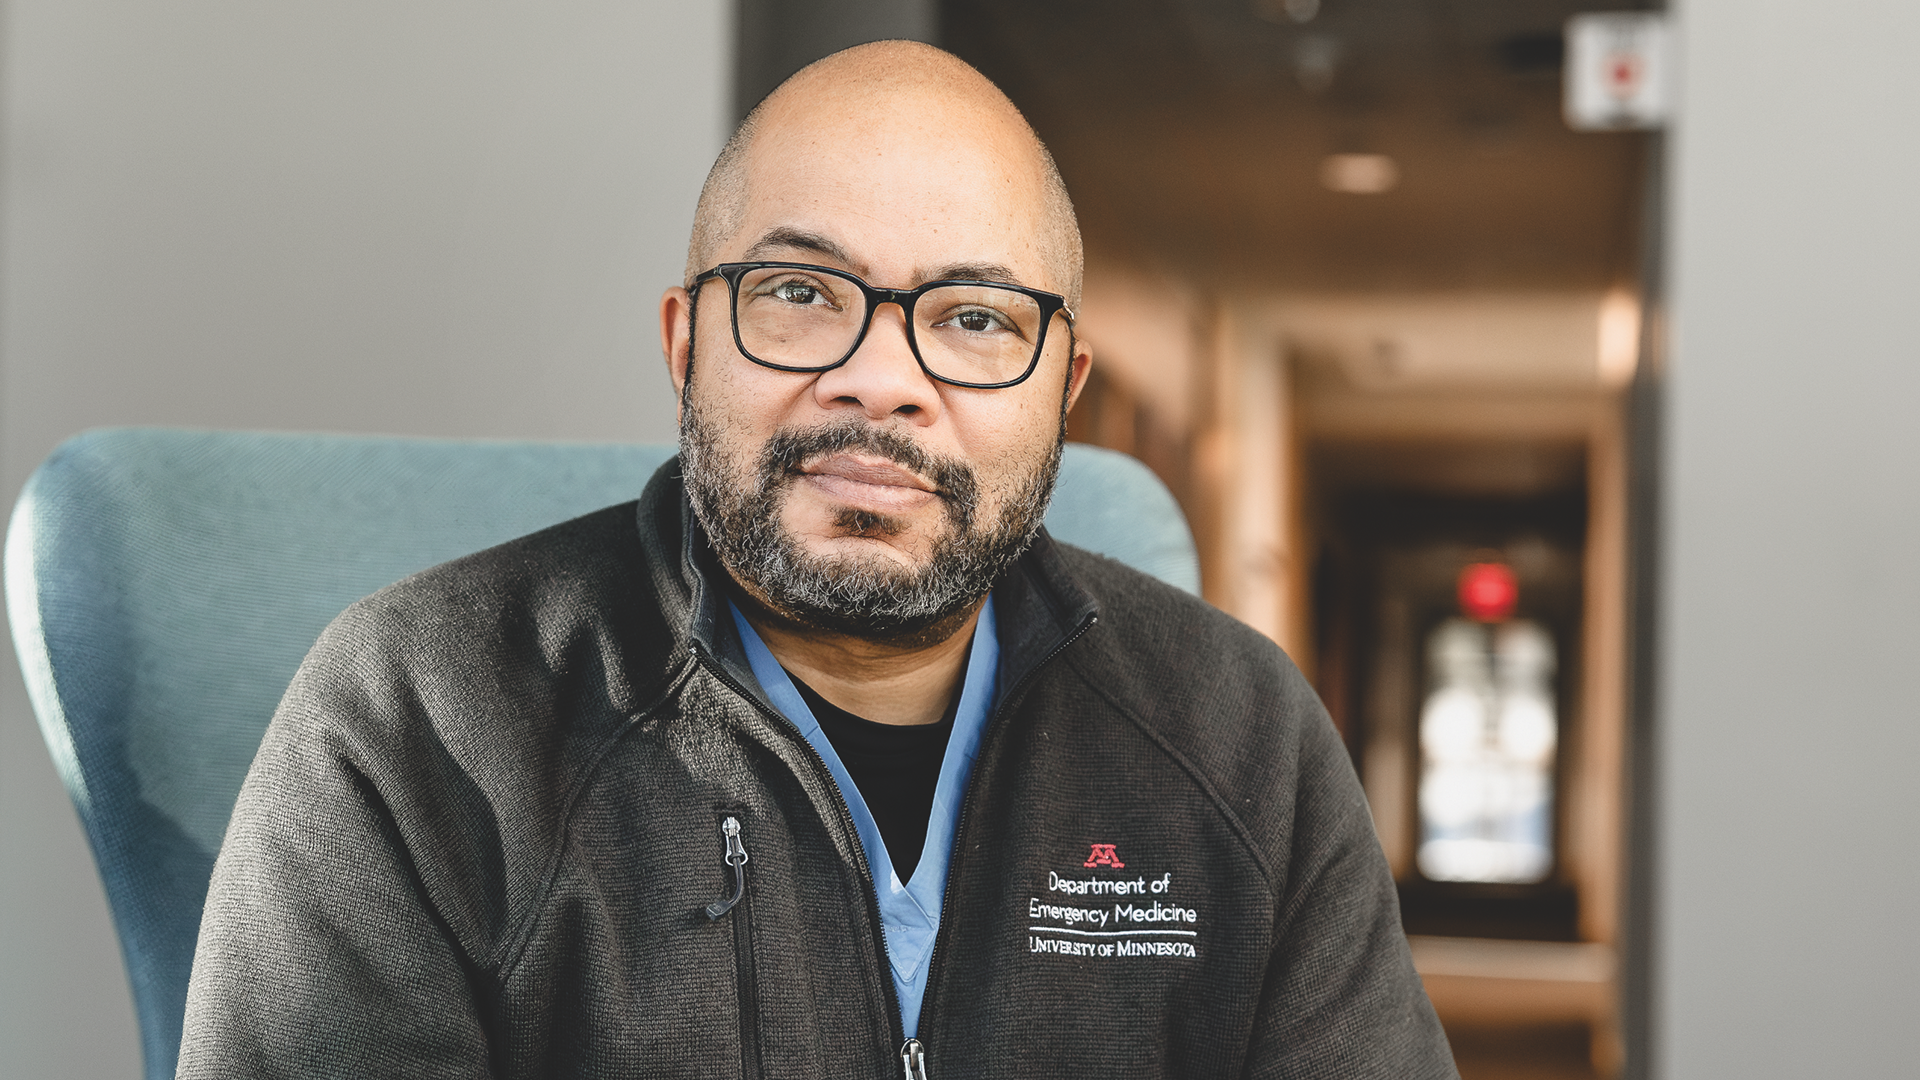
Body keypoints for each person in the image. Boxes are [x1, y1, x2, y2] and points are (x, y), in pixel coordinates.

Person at [176, 41, 1455, 1079]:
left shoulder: (1243, 742)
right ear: (687, 344)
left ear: (1063, 388)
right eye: (798, 292)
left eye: (972, 317)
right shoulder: (420, 719)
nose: (882, 379)